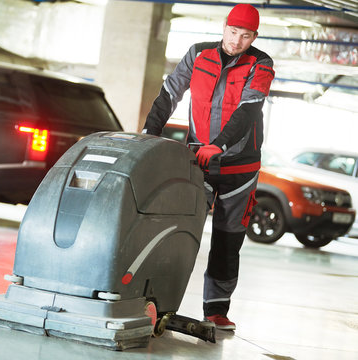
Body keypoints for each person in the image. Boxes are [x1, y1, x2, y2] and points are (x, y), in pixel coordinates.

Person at [142, 3, 275, 330]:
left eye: (246, 36)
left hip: (240, 170)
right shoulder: (198, 54)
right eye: (233, 32)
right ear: (224, 28)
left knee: (228, 241)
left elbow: (248, 110)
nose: (237, 41)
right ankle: (157, 301)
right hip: (198, 163)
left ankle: (215, 310)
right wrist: (150, 132)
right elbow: (170, 92)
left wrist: (221, 145)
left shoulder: (261, 64)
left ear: (254, 37)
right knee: (177, 234)